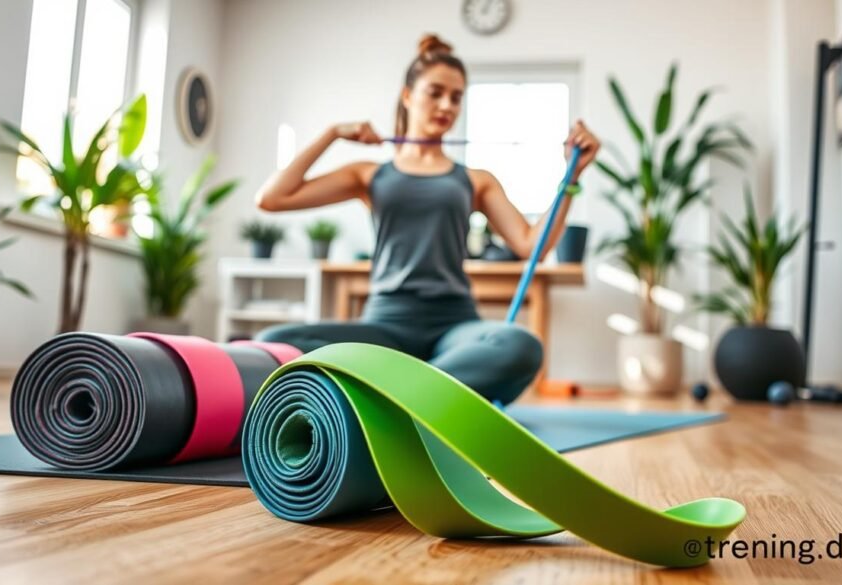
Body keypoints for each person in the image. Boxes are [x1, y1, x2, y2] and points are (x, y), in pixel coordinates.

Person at [254, 34, 600, 405]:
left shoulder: (475, 179)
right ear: (407, 95)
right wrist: (333, 134)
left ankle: (398, 396)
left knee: (520, 345)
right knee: (274, 341)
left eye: (456, 97)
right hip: (385, 325)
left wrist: (571, 176)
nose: (446, 106)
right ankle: (432, 395)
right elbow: (272, 199)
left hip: (454, 327)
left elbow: (533, 245)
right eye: (435, 93)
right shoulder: (369, 175)